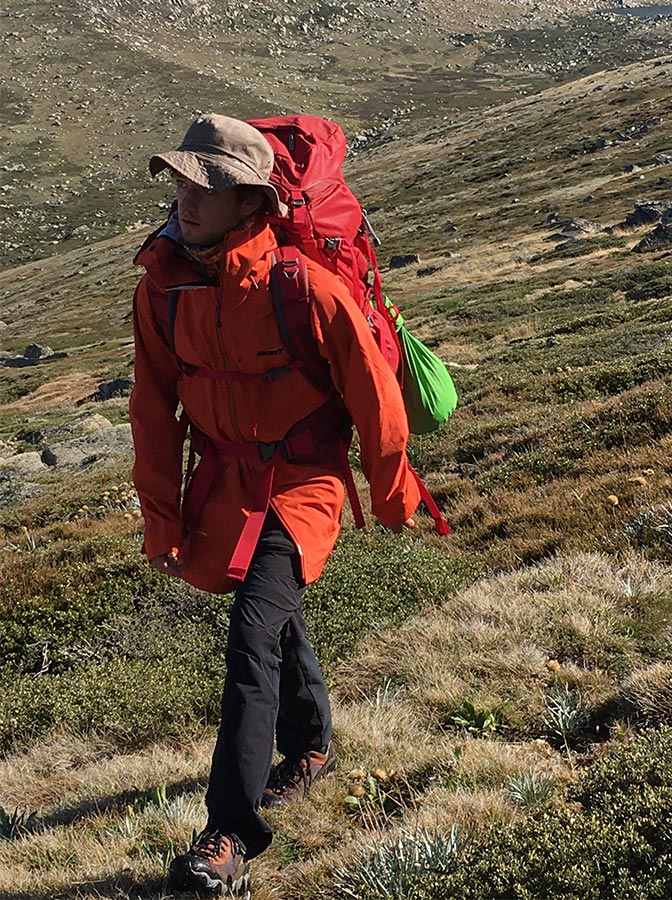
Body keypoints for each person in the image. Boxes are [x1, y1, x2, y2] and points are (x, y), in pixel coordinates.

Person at [129, 114, 420, 897]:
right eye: (184, 181)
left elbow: (373, 394)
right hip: (224, 487)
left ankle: (229, 836)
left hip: (304, 484)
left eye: (211, 185)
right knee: (271, 614)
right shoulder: (162, 291)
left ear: (253, 199)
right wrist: (162, 516)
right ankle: (313, 744)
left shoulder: (304, 287)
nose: (189, 200)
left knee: (252, 631)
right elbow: (152, 413)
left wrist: (392, 492)